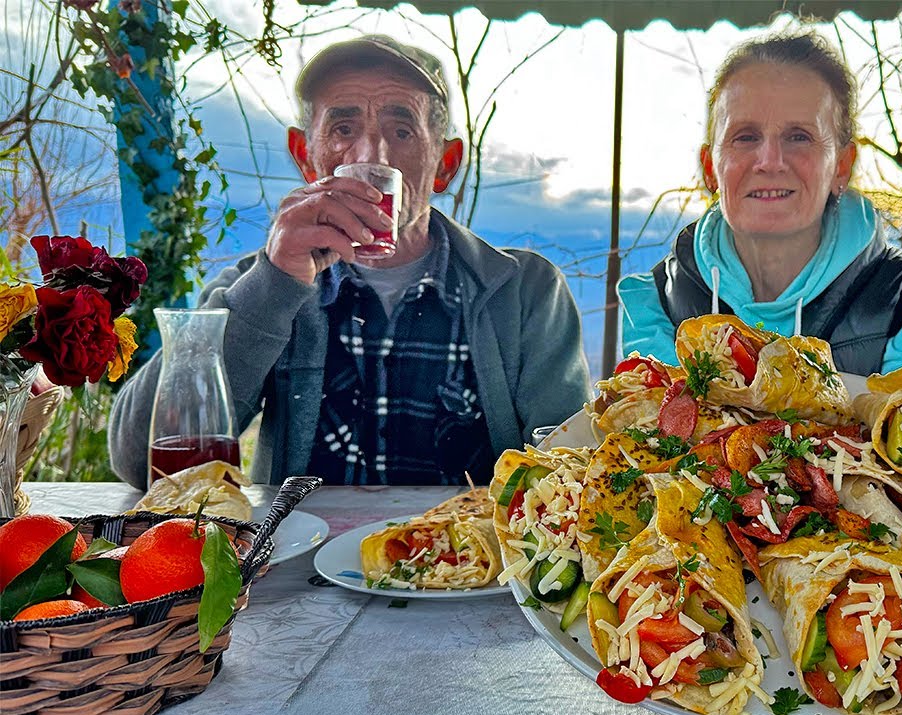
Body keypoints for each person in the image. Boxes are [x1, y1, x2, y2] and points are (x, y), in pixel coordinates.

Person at [109, 35, 591, 488]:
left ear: (445, 164)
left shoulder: (526, 290)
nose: (372, 155)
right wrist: (275, 285)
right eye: (343, 128)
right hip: (293, 566)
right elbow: (140, 462)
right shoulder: (256, 285)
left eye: (402, 130)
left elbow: (570, 470)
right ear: (306, 155)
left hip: (470, 568)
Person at [618, 30, 902, 390]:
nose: (770, 161)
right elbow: (652, 440)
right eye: (746, 136)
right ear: (710, 168)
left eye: (799, 136)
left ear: (842, 166)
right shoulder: (654, 302)